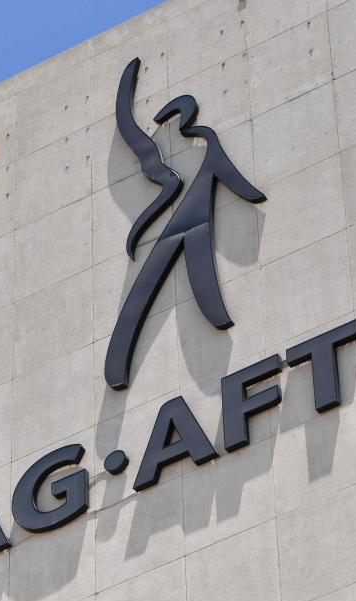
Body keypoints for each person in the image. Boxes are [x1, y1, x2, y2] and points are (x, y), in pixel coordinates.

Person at [105, 58, 267, 390]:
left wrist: (251, 194)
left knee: (202, 292)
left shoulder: (205, 149)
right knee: (169, 292)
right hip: (180, 229)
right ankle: (117, 369)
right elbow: (131, 130)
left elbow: (235, 181)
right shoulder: (173, 169)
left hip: (192, 225)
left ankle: (120, 367)